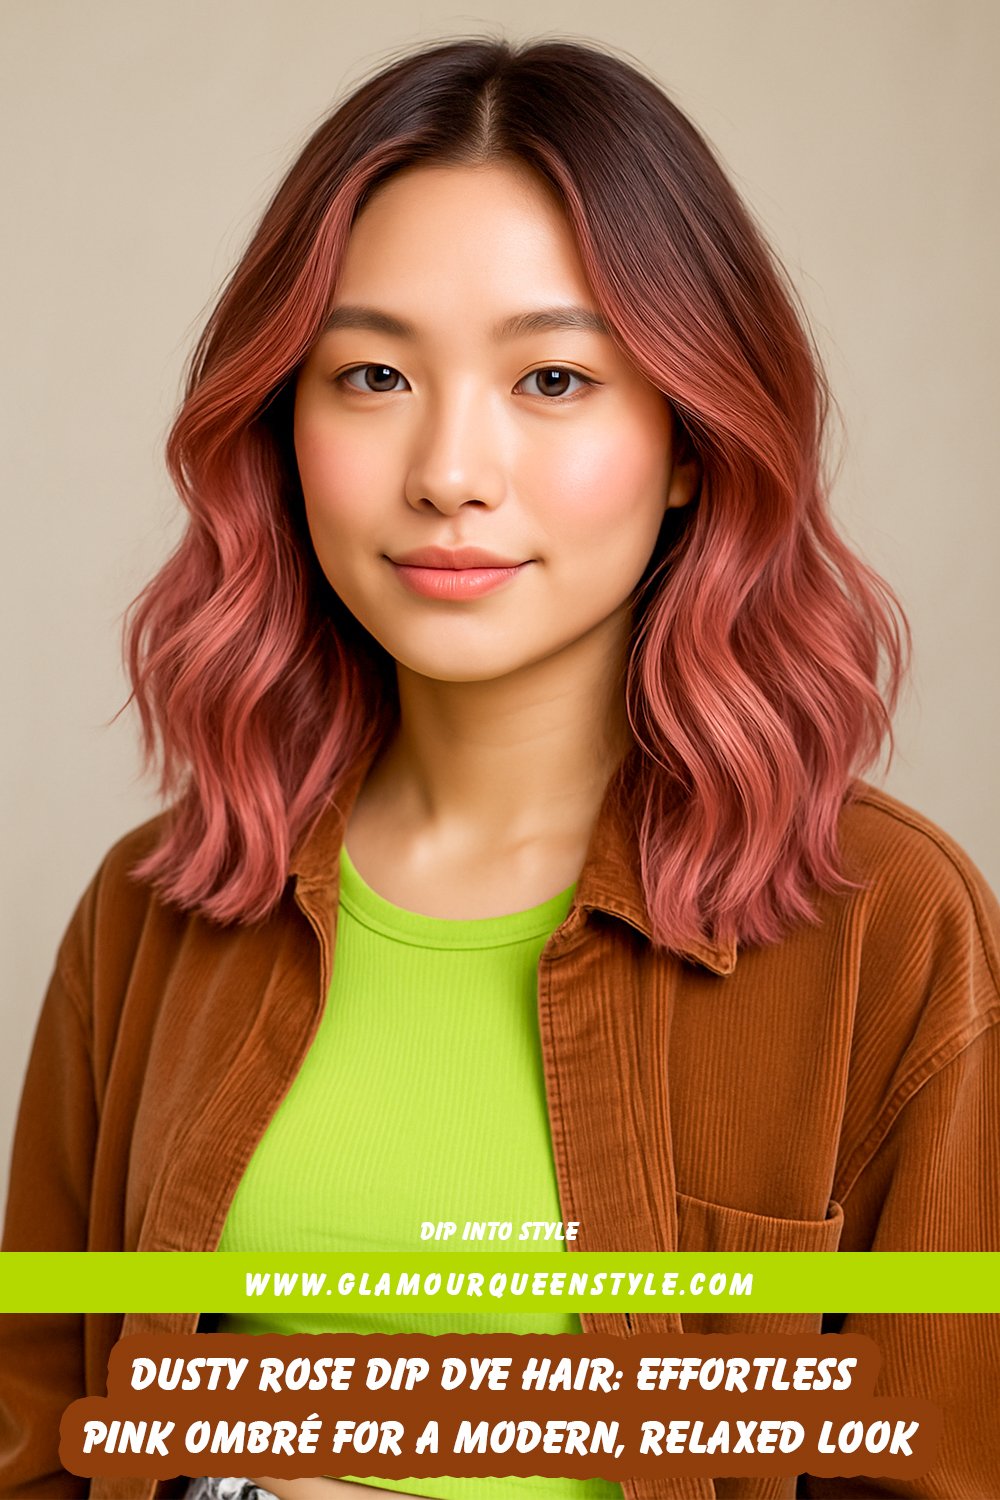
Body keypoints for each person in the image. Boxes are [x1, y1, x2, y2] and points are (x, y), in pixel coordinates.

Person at [2, 33, 998, 1500]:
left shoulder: (889, 927)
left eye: (551, 375)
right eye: (373, 373)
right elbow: (40, 1440)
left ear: (687, 440)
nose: (451, 470)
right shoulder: (153, 913)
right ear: (283, 426)